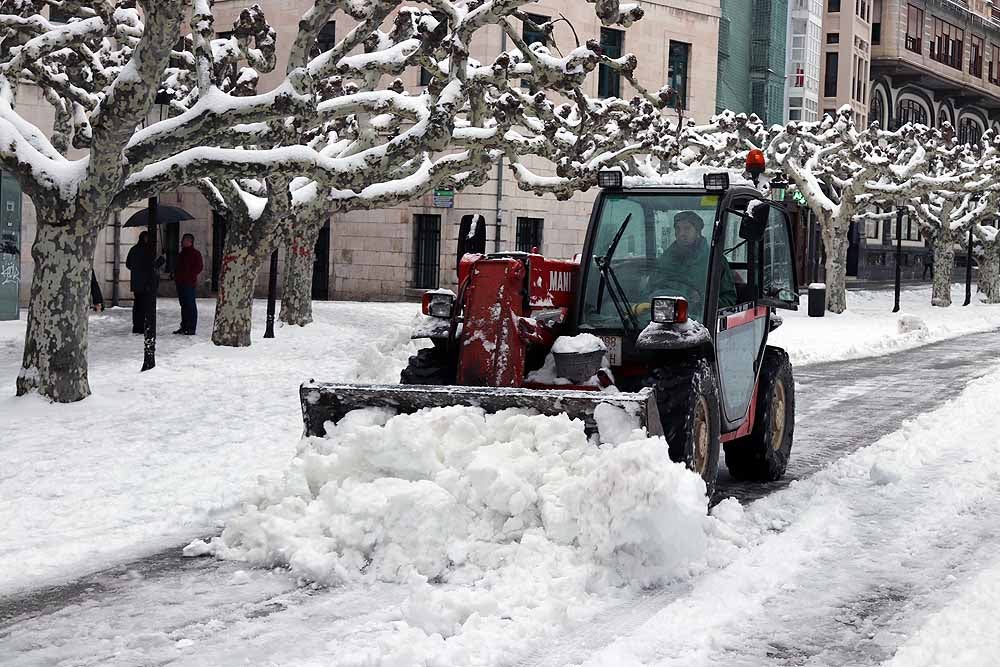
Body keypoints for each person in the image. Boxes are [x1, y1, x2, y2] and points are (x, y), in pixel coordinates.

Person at [648, 210, 737, 314]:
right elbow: (649, 289)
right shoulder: (664, 260)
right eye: (678, 228)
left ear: (698, 232)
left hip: (698, 323)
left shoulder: (714, 260)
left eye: (687, 228)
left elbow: (729, 299)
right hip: (660, 318)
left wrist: (703, 301)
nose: (681, 234)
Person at [125, 232, 155, 334]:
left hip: (136, 282)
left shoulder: (134, 249)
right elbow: (151, 266)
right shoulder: (148, 250)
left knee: (137, 304)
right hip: (145, 283)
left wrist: (135, 271)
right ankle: (142, 326)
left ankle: (137, 325)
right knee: (144, 305)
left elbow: (128, 264)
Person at [174, 233, 204, 335]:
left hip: (189, 283)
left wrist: (190, 275)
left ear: (190, 242)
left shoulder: (195, 253)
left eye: (186, 240)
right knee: (184, 305)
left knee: (190, 305)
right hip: (180, 282)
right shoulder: (181, 254)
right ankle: (184, 326)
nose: (183, 242)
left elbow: (199, 267)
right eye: (183, 240)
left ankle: (191, 327)